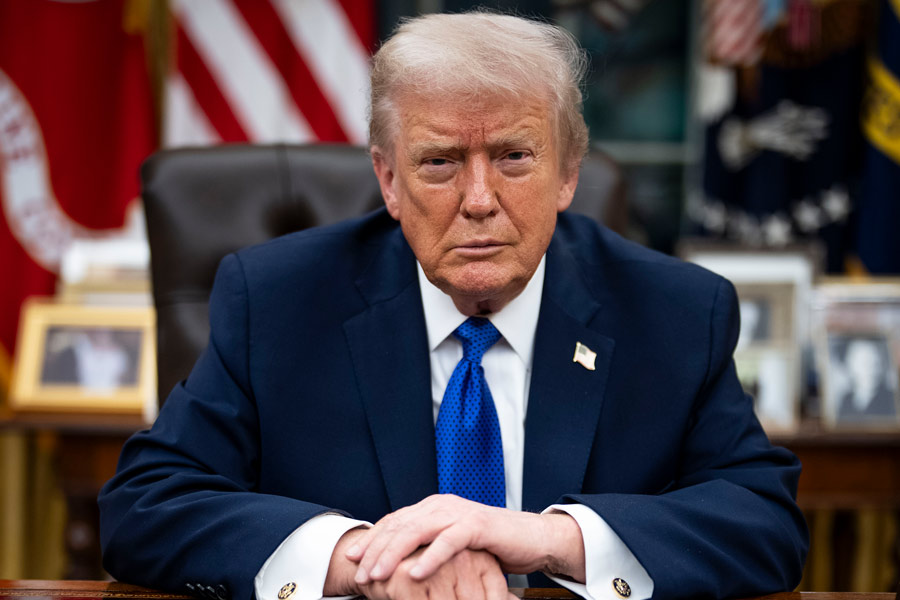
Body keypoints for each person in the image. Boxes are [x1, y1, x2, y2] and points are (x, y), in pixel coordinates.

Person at [98, 12, 808, 600]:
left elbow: (764, 522)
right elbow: (145, 506)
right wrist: (363, 558)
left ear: (567, 173)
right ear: (388, 179)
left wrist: (552, 538)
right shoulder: (279, 301)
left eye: (514, 157)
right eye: (439, 162)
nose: (478, 201)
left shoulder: (675, 311)